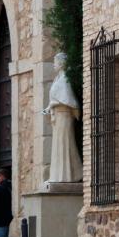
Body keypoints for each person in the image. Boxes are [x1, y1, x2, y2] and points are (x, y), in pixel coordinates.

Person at [43, 52, 82, 182]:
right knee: (58, 147)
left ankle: (67, 176)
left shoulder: (65, 79)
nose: (53, 65)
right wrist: (49, 108)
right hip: (58, 117)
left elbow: (69, 101)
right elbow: (56, 99)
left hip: (64, 117)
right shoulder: (57, 79)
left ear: (61, 64)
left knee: (65, 144)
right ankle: (57, 176)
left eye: (55, 62)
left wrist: (53, 104)